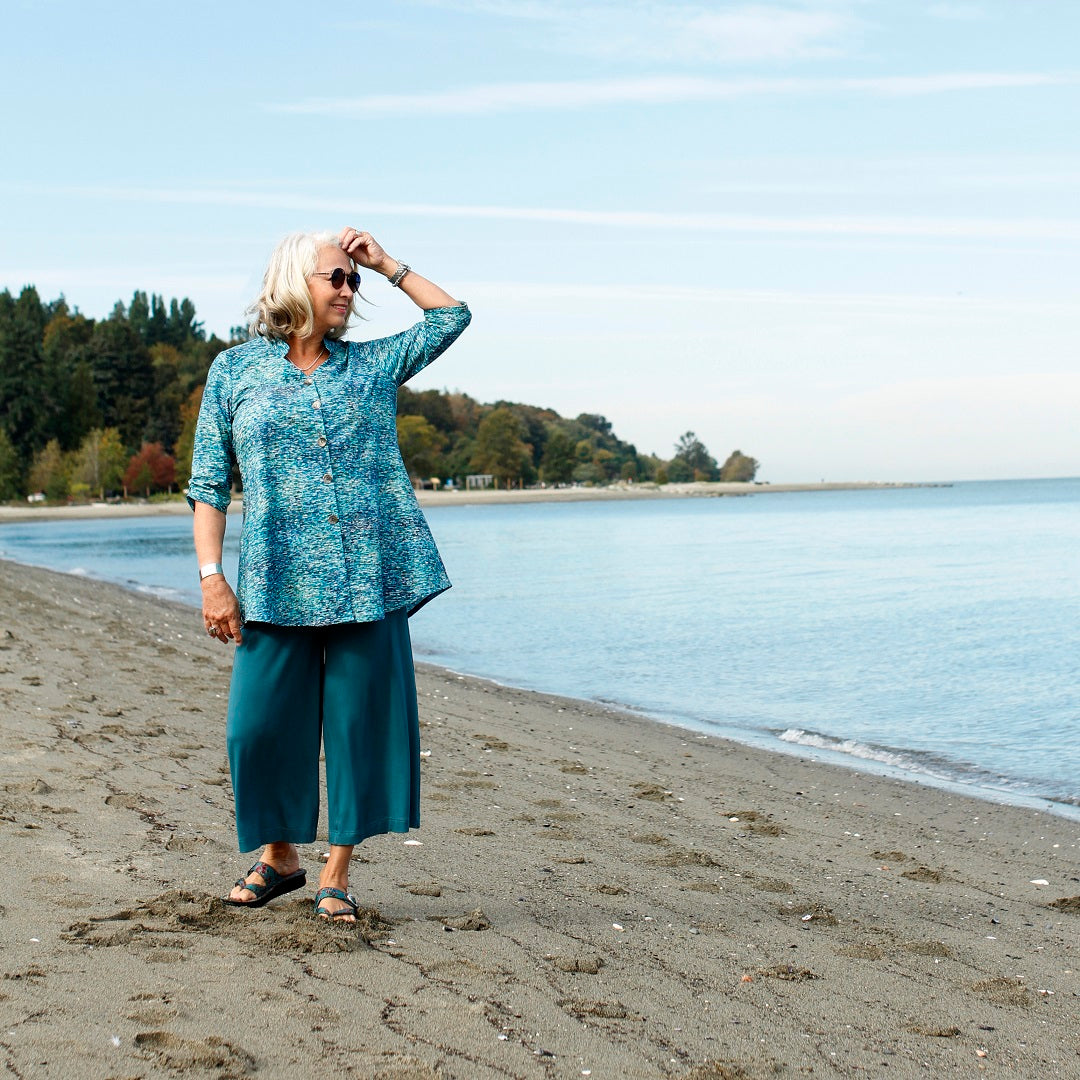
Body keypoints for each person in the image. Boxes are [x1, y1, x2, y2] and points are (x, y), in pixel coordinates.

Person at [187, 227, 471, 922]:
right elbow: (208, 483)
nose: (349, 290)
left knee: (358, 729)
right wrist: (210, 576)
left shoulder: (370, 367)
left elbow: (451, 317)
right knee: (254, 728)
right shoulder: (234, 371)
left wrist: (386, 263)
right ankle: (279, 856)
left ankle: (336, 873)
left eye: (354, 281)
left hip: (367, 582)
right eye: (336, 278)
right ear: (294, 283)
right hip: (275, 582)